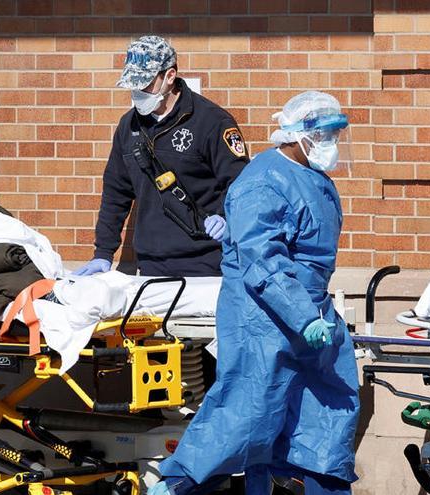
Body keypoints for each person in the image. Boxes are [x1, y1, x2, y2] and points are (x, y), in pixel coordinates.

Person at [149, 91, 360, 495]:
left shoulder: (316, 180)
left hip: (313, 316)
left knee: (328, 423)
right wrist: (302, 316)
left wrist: (315, 317)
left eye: (337, 134)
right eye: (325, 135)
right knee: (246, 419)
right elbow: (262, 261)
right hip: (264, 320)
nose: (332, 145)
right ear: (297, 134)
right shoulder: (262, 181)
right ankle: (176, 485)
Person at [74, 35, 248, 277]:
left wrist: (224, 217)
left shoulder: (211, 121)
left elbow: (240, 184)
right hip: (150, 264)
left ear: (169, 76)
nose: (138, 92)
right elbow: (116, 192)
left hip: (206, 262)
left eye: (145, 84)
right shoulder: (129, 126)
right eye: (134, 85)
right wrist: (103, 253)